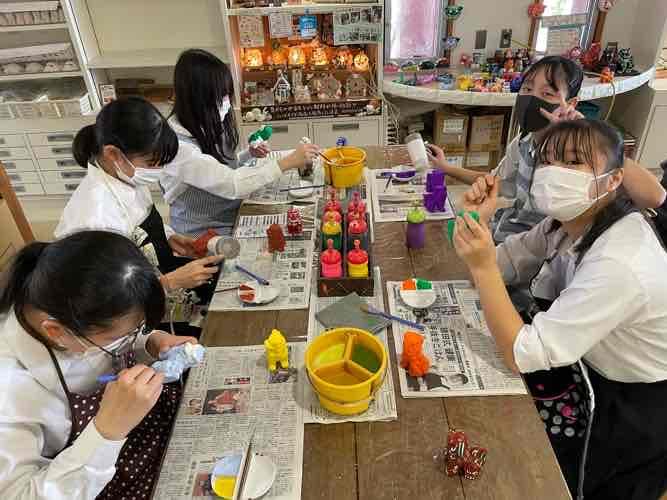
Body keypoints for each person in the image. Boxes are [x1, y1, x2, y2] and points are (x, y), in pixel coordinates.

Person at [452, 119, 667, 500]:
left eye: (573, 162)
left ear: (614, 179)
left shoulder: (621, 260)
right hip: (578, 365)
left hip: (629, 401)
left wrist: (483, 266)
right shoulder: (564, 223)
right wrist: (478, 222)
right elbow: (504, 263)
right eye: (548, 160)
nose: (554, 172)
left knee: (551, 480)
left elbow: (521, 352)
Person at [0, 231, 199, 499]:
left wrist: (152, 341)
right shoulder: (10, 391)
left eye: (137, 329)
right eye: (120, 337)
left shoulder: (76, 315)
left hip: (155, 442)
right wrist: (106, 431)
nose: (129, 339)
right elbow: (19, 494)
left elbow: (114, 333)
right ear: (56, 331)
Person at [428, 55, 666, 243]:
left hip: (547, 254)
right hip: (509, 237)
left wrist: (591, 137)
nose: (532, 99)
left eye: (547, 94)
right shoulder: (522, 143)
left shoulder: (580, 157)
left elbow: (655, 196)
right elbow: (495, 181)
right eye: (527, 89)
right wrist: (446, 168)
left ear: (571, 104)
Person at [54, 96, 223, 298]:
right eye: (152, 163)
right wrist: (170, 282)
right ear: (113, 154)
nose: (159, 170)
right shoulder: (94, 219)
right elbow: (105, 298)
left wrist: (168, 237)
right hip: (129, 300)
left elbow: (139, 219)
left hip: (154, 275)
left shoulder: (125, 176)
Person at [148, 49, 319, 236]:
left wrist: (248, 155)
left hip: (233, 215)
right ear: (199, 99)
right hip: (202, 234)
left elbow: (220, 168)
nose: (227, 102)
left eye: (227, 95)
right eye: (221, 96)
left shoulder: (205, 123)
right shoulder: (178, 148)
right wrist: (289, 161)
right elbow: (232, 184)